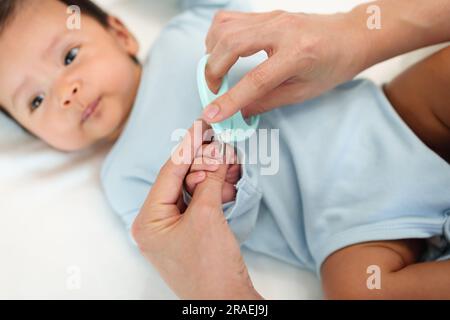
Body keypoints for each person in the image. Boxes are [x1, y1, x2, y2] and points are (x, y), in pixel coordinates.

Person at [0, 0, 449, 299]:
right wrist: (221, 197)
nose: (65, 91)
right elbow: (204, 244)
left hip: (393, 116)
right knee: (359, 292)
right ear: (40, 138)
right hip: (350, 227)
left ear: (121, 33)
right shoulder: (124, 179)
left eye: (69, 57)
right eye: (35, 101)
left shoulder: (188, 33)